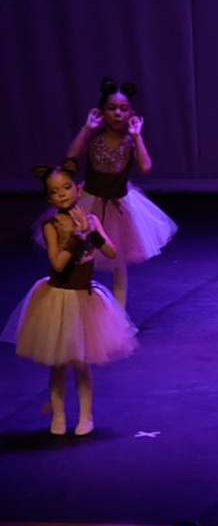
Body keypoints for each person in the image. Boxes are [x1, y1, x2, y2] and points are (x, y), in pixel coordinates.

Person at [6, 162, 138, 435]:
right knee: (57, 362)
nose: (62, 194)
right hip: (58, 299)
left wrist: (91, 233)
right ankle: (58, 416)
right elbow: (57, 263)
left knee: (81, 361)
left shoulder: (92, 220)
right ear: (49, 199)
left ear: (78, 189)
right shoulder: (51, 226)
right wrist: (76, 239)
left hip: (85, 299)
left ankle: (86, 416)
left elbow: (112, 253)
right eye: (55, 191)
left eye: (66, 187)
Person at [60, 79, 176, 305]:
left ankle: (119, 315)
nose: (117, 114)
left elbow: (146, 166)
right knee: (81, 257)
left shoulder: (130, 141)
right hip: (89, 204)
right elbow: (70, 157)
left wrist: (137, 136)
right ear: (101, 112)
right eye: (112, 108)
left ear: (131, 113)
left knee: (118, 263)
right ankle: (81, 309)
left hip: (120, 207)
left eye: (123, 109)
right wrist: (86, 129)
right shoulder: (93, 139)